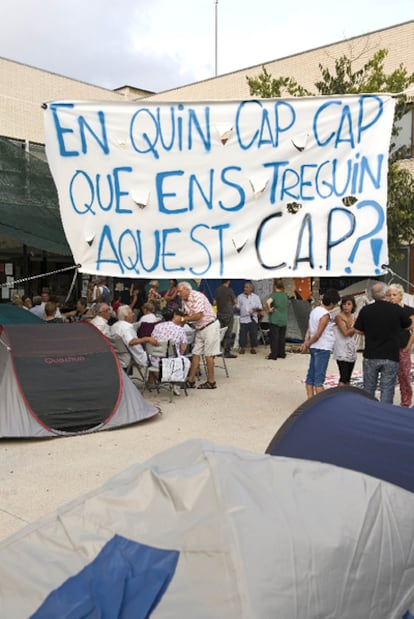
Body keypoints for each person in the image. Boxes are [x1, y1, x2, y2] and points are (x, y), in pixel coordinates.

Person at [354, 281, 411, 404]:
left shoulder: (366, 310)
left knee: (369, 388)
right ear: (385, 293)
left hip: (371, 355)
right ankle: (385, 415)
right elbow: (407, 325)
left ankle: (368, 414)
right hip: (391, 355)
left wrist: (369, 332)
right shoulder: (396, 309)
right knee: (387, 389)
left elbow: (357, 329)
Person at [177, 281, 221, 389]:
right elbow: (187, 314)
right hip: (199, 328)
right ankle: (191, 380)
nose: (178, 294)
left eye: (179, 291)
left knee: (208, 354)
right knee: (195, 353)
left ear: (187, 290)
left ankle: (211, 382)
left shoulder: (197, 296)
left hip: (209, 326)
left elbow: (198, 316)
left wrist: (183, 319)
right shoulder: (184, 300)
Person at [301, 288, 340, 399]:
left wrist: (306, 342)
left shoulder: (315, 310)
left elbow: (309, 329)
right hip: (323, 347)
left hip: (314, 347)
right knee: (319, 379)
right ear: (332, 303)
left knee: (311, 375)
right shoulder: (325, 315)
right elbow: (318, 334)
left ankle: (310, 399)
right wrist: (308, 343)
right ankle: (320, 403)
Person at [387, 283, 414, 406]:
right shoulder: (386, 309)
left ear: (400, 296)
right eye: (390, 295)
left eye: (394, 295)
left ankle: (406, 401)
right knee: (389, 377)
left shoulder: (408, 310)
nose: (392, 297)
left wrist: (408, 346)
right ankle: (388, 402)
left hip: (403, 346)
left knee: (404, 376)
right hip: (389, 347)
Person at [333, 295, 357, 386]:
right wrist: (352, 326)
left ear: (353, 306)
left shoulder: (353, 317)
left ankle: (347, 396)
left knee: (348, 378)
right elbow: (345, 332)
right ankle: (339, 396)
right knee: (343, 376)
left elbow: (351, 334)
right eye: (344, 304)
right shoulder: (339, 317)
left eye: (349, 304)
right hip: (341, 348)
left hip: (350, 347)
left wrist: (352, 328)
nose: (346, 306)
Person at [235, 282, 262, 354]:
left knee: (253, 333)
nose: (245, 289)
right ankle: (242, 347)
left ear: (251, 288)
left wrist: (254, 310)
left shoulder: (256, 297)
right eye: (244, 287)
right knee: (242, 333)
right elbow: (238, 307)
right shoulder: (240, 296)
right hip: (243, 318)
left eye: (247, 287)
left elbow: (260, 308)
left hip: (253, 318)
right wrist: (235, 306)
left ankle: (253, 347)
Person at [265, 278, 289, 360]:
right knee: (282, 338)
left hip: (275, 319)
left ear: (275, 286)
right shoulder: (285, 295)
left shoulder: (274, 295)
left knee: (274, 338)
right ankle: (281, 353)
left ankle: (273, 355)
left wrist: (269, 309)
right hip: (284, 319)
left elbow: (268, 302)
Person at [214, 279, 237, 358]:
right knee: (228, 333)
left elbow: (214, 302)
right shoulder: (229, 290)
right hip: (228, 313)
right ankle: (226, 352)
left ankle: (217, 351)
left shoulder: (217, 290)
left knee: (219, 333)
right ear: (228, 281)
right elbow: (235, 301)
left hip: (220, 313)